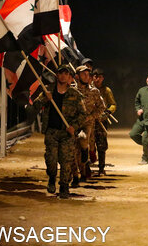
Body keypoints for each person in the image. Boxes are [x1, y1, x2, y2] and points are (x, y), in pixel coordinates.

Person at [40, 64, 86, 199]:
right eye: (60, 73)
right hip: (52, 133)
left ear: (70, 77)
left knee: (66, 161)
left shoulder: (75, 95)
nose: (63, 76)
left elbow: (82, 114)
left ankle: (64, 186)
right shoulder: (48, 91)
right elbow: (35, 106)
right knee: (51, 161)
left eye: (66, 73)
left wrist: (74, 127)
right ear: (56, 75)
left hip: (67, 134)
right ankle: (52, 178)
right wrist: (44, 99)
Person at [72, 65, 105, 185]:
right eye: (83, 74)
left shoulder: (94, 91)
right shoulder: (71, 91)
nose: (86, 76)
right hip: (72, 124)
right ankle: (77, 176)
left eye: (88, 74)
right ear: (77, 76)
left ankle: (85, 161)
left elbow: (102, 107)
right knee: (73, 151)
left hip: (87, 124)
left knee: (83, 140)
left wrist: (91, 116)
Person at [92, 68, 117, 176]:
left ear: (102, 78)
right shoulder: (89, 89)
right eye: (95, 76)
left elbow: (113, 104)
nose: (97, 79)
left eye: (99, 77)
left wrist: (107, 113)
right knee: (87, 144)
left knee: (101, 145)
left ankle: (101, 168)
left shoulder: (106, 90)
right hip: (89, 120)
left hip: (101, 121)